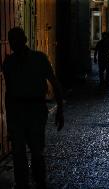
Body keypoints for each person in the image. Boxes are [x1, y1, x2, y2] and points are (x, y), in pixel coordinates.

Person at [1, 27, 64, 189]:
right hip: (25, 110)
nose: (14, 43)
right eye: (12, 40)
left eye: (16, 40)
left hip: (32, 110)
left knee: (33, 151)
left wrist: (60, 110)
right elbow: (8, 93)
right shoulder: (14, 62)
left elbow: (54, 83)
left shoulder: (34, 59)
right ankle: (28, 183)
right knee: (23, 153)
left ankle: (37, 182)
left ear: (24, 40)